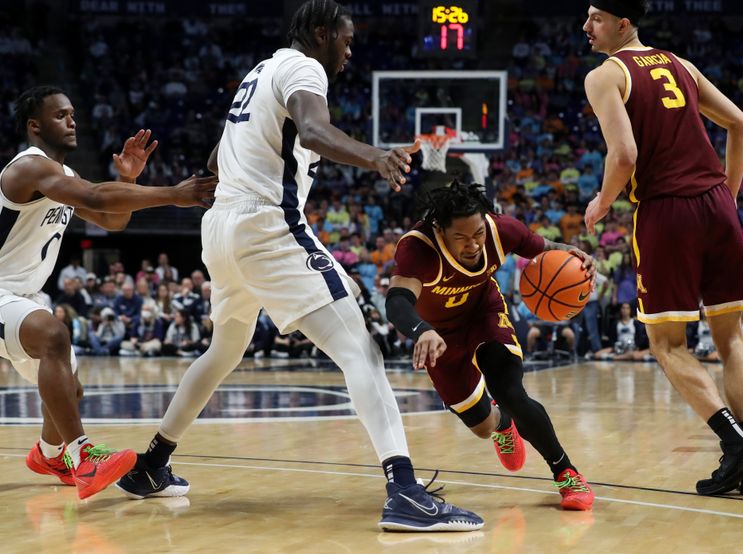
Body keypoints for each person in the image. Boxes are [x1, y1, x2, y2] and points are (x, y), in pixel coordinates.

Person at [117, 0, 482, 532]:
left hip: (221, 227)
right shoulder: (302, 66)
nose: (349, 49)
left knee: (223, 350)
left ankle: (151, 465)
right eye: (346, 38)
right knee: (361, 349)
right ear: (319, 32)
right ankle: (404, 491)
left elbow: (219, 163)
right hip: (265, 224)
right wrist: (376, 156)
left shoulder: (257, 73)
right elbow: (312, 131)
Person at [581, 0, 743, 496]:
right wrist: (726, 194)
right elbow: (742, 125)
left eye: (596, 18)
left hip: (666, 211)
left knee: (667, 345)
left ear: (622, 24)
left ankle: (739, 448)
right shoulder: (681, 65)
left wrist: (602, 201)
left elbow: (624, 154)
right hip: (716, 205)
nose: (586, 26)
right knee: (732, 339)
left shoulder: (606, 75)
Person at [0, 85, 216, 499]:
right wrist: (174, 193)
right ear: (35, 125)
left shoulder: (62, 176)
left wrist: (127, 179)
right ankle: (82, 456)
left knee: (69, 390)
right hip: (2, 292)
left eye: (72, 114)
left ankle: (48, 453)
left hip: (20, 297)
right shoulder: (29, 168)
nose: (71, 120)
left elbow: (110, 220)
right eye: (60, 115)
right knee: (53, 335)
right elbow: (97, 196)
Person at [386, 181, 596, 511]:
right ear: (440, 229)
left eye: (478, 234)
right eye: (462, 237)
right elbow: (397, 300)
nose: (473, 244)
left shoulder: (501, 230)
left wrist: (576, 256)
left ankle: (567, 474)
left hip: (484, 313)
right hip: (438, 335)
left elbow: (545, 247)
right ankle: (502, 425)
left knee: (510, 390)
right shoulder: (418, 248)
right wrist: (420, 330)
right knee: (483, 427)